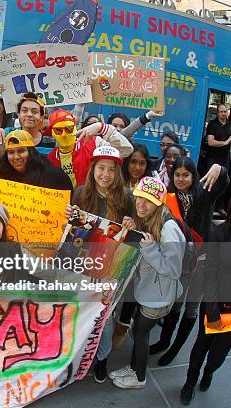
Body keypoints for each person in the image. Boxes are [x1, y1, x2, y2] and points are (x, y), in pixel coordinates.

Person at [149, 156, 228, 366]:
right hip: (179, 262)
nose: (181, 179)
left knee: (191, 309)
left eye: (186, 175)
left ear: (194, 175)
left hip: (201, 261)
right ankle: (164, 341)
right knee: (174, 305)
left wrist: (219, 167)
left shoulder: (205, 195)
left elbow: (224, 181)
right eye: (177, 175)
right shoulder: (168, 197)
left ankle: (175, 349)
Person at [65, 146, 134, 383]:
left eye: (111, 170)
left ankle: (102, 359)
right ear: (93, 169)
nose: (106, 174)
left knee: (103, 318)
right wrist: (69, 216)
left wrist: (131, 223)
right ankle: (74, 355)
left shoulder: (126, 197)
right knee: (79, 311)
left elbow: (134, 235)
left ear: (118, 173)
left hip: (110, 267)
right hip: (82, 264)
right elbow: (72, 231)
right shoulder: (81, 193)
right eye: (101, 168)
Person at [110, 177, 184, 390]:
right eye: (139, 198)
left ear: (159, 203)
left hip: (159, 296)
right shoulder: (148, 218)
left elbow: (173, 270)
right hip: (149, 291)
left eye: (148, 201)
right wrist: (133, 228)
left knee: (140, 334)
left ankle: (139, 377)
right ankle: (134, 367)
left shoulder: (169, 228)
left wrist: (150, 249)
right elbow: (140, 243)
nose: (141, 204)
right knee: (139, 332)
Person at [180, 198, 231, 405]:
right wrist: (211, 310)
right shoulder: (219, 235)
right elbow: (209, 274)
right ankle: (190, 383)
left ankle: (209, 372)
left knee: (218, 355)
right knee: (202, 345)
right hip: (217, 304)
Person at [46, 110, 133, 188]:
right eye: (58, 130)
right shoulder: (50, 159)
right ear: (52, 134)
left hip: (91, 202)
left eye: (69, 129)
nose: (64, 134)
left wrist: (102, 128)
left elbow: (125, 150)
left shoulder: (94, 143)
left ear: (76, 128)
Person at [0, 130, 73, 191]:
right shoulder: (1, 174)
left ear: (31, 152)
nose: (16, 157)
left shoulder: (52, 175)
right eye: (11, 152)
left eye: (21, 151)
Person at [0, 93, 56, 162]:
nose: (29, 114)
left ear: (41, 117)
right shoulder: (7, 134)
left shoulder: (52, 142)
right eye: (24, 110)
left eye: (34, 112)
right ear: (19, 114)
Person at [204, 104, 231, 216]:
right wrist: (224, 143)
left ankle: (219, 207)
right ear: (218, 112)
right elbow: (210, 142)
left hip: (225, 158)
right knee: (211, 182)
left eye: (225, 111)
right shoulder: (212, 124)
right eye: (221, 112)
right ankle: (207, 207)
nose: (223, 114)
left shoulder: (229, 124)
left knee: (225, 182)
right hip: (213, 158)